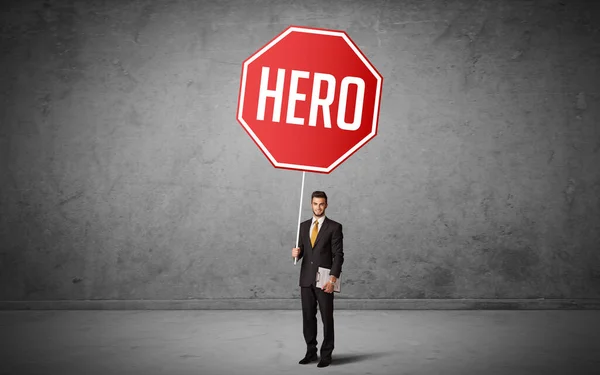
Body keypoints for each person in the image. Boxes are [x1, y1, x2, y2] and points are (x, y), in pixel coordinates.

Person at [291, 191, 344, 368]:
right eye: (315, 204)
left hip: (325, 280)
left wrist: (333, 279)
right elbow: (303, 253)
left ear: (326, 205)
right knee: (308, 317)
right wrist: (296, 254)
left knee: (327, 318)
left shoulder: (334, 227)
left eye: (321, 204)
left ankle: (326, 354)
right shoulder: (303, 226)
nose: (318, 207)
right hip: (306, 280)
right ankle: (310, 352)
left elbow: (338, 256)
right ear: (311, 204)